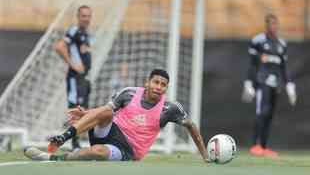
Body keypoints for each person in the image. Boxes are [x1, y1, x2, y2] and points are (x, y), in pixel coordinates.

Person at [24, 69, 210, 162]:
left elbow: (191, 126)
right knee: (106, 111)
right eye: (156, 82)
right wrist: (86, 113)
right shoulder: (129, 93)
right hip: (110, 132)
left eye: (163, 85)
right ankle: (63, 137)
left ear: (166, 88)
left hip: (128, 150)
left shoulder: (170, 108)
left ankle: (51, 158)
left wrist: (204, 154)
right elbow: (104, 111)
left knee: (96, 152)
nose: (158, 87)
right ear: (147, 82)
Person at [242, 14, 297, 158]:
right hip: (262, 82)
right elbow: (253, 65)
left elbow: (284, 67)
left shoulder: (281, 44)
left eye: (275, 24)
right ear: (266, 25)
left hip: (276, 84)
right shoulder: (258, 41)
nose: (273, 27)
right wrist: (249, 83)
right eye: (271, 24)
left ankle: (264, 146)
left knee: (269, 115)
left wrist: (289, 85)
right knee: (261, 112)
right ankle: (255, 145)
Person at [54, 5, 92, 151]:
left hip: (84, 79)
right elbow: (59, 46)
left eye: (88, 16)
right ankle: (74, 144)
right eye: (83, 16)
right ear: (78, 17)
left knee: (83, 111)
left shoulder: (85, 34)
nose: (86, 19)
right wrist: (73, 64)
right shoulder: (74, 30)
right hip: (75, 78)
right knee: (75, 110)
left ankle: (78, 143)